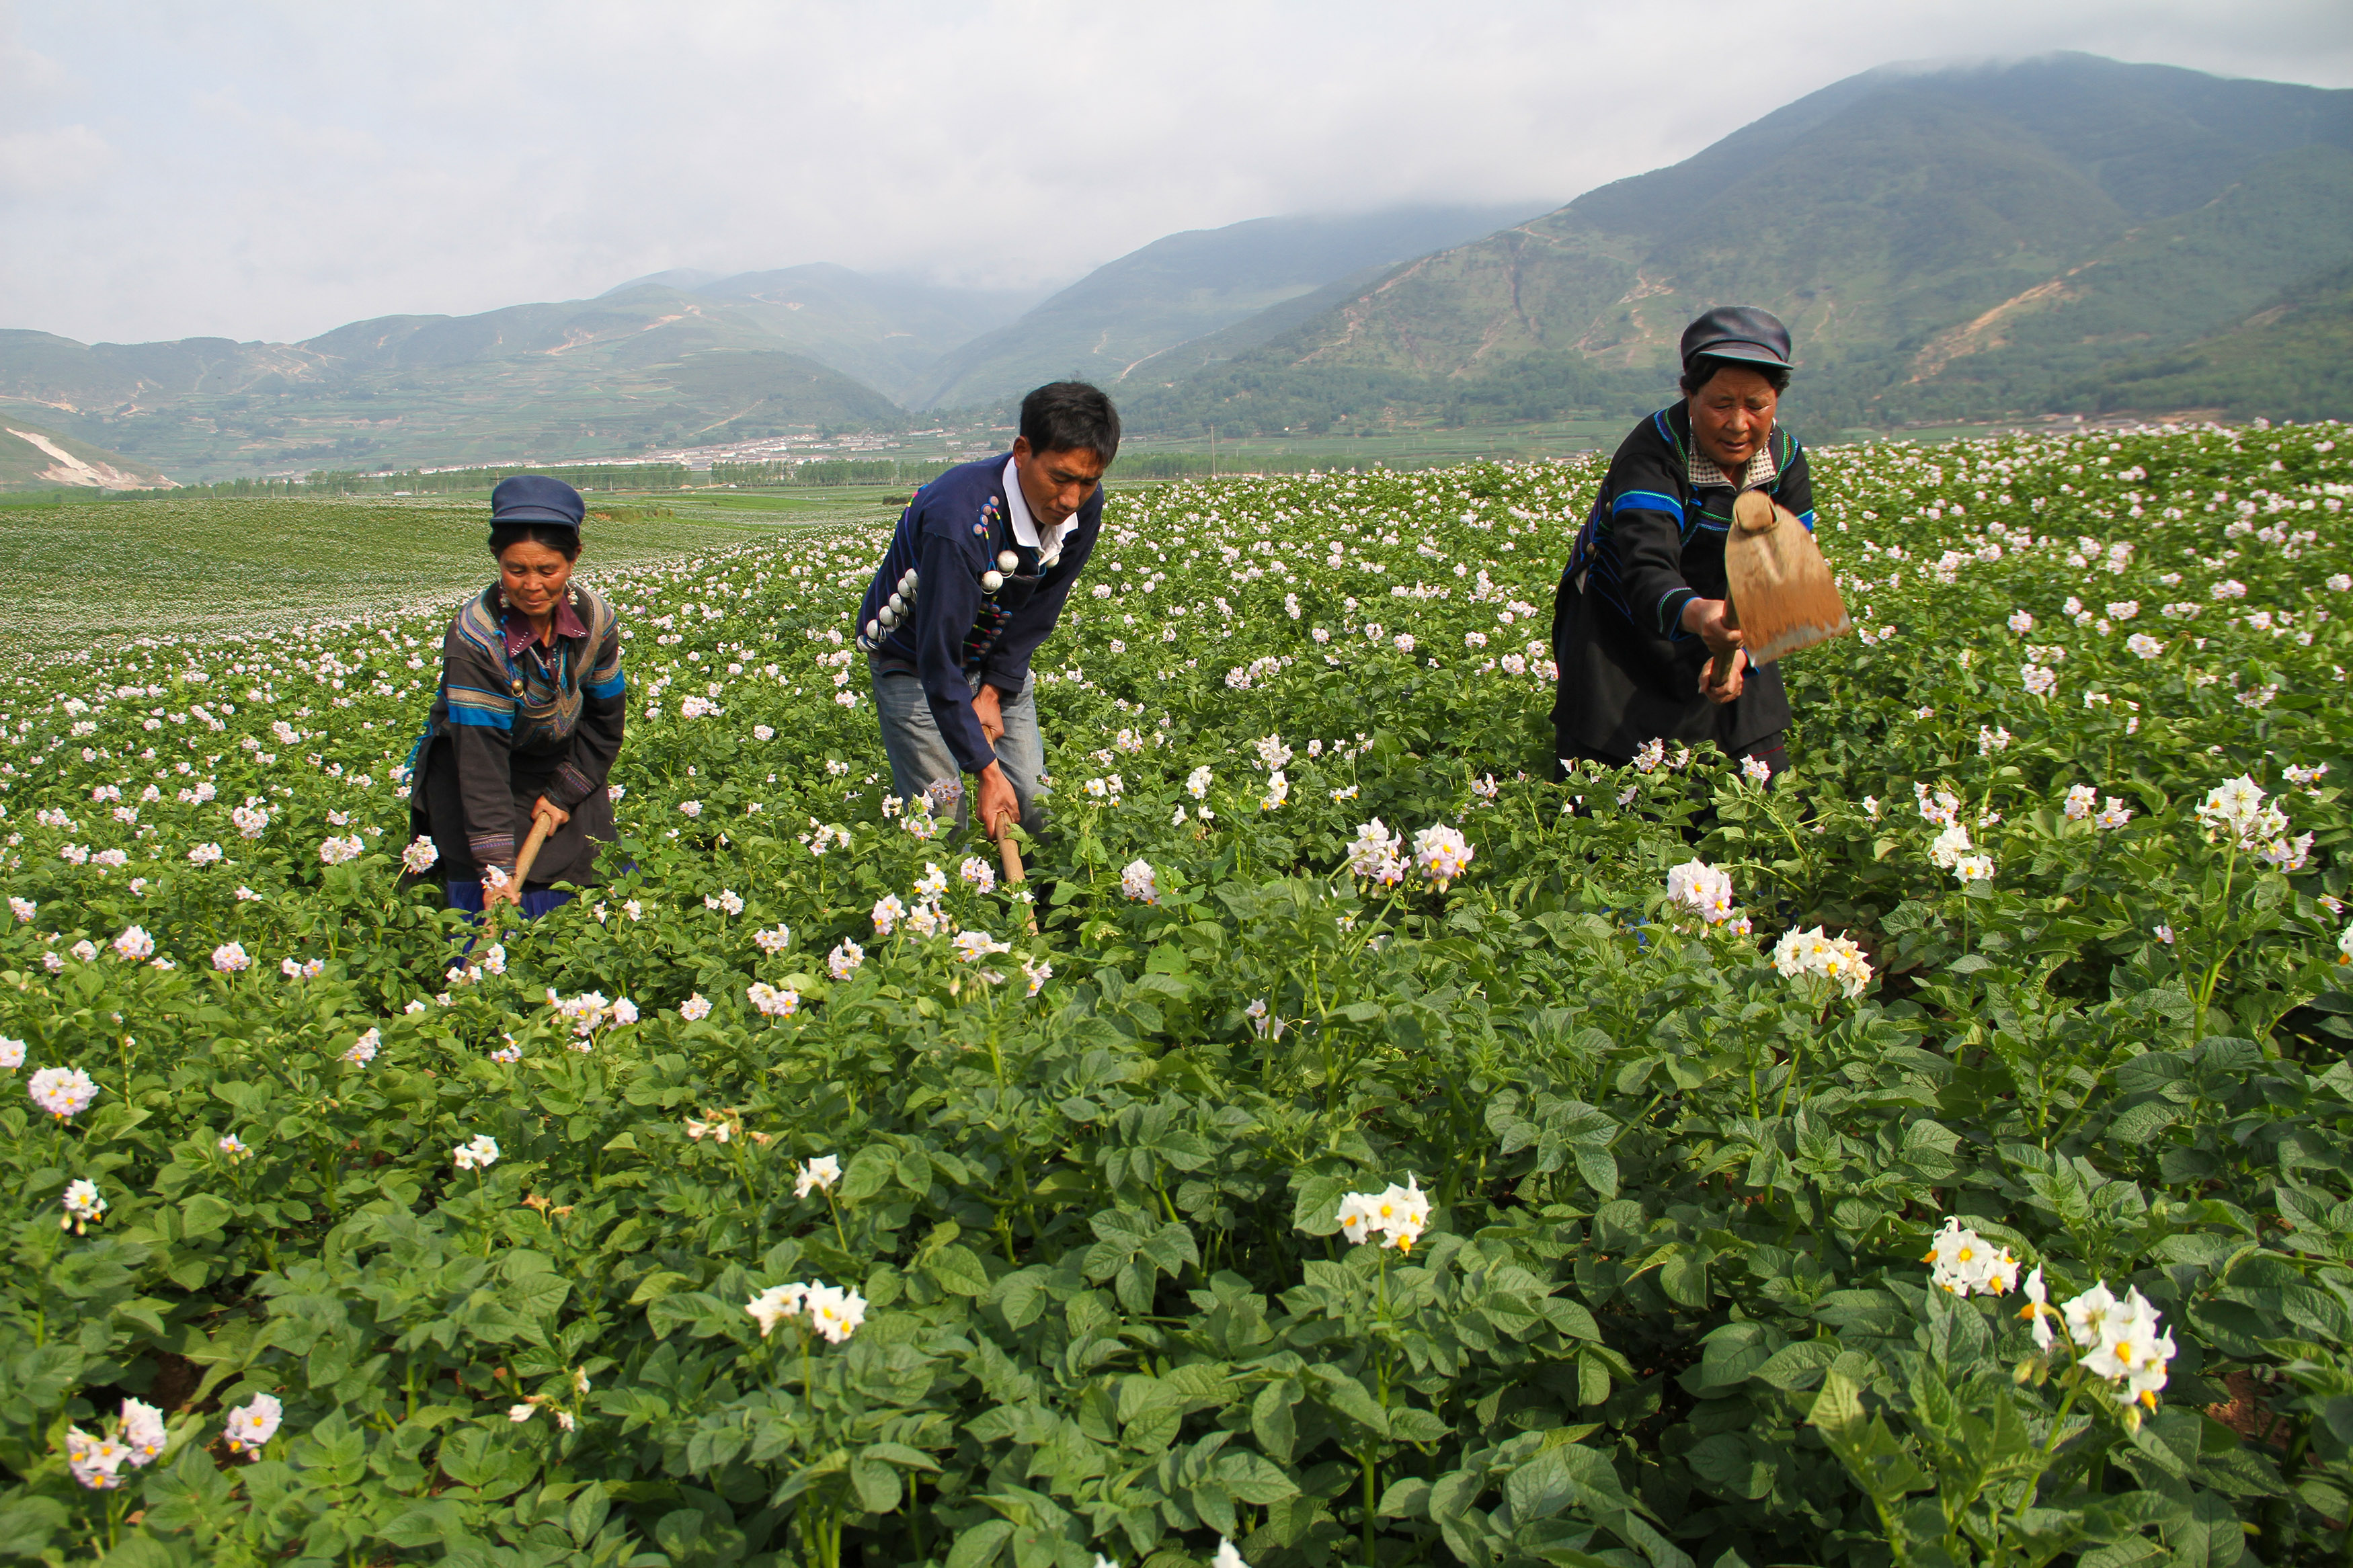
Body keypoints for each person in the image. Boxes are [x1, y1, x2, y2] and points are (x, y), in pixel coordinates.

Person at [1549, 305, 1817, 780]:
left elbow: (1783, 585)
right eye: (1720, 404)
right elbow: (1647, 569)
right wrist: (1700, 616)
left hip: (1730, 624)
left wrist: (1740, 655)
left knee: (1754, 778)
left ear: (1777, 399)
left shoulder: (1785, 461)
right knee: (1613, 786)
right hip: (1624, 625)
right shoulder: (1652, 451)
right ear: (1689, 394)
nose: (1738, 424)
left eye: (1757, 405)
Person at [854, 381, 1117, 839]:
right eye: (1060, 477)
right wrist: (986, 770)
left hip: (995, 651)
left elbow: (1041, 608)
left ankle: (1029, 901)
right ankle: (950, 903)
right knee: (944, 816)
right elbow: (937, 657)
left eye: (1088, 480)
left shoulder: (1082, 508)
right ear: (1022, 451)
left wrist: (994, 691)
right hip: (914, 660)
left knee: (1034, 804)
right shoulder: (960, 522)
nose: (1071, 498)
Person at [408, 475, 626, 915]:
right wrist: (496, 868)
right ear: (496, 558)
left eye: (548, 570)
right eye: (516, 569)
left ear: (574, 558)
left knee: (581, 895)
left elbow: (605, 722)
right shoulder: (476, 638)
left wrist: (564, 794)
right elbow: (481, 765)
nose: (532, 585)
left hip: (562, 764)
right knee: (486, 908)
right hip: (475, 772)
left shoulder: (596, 621)